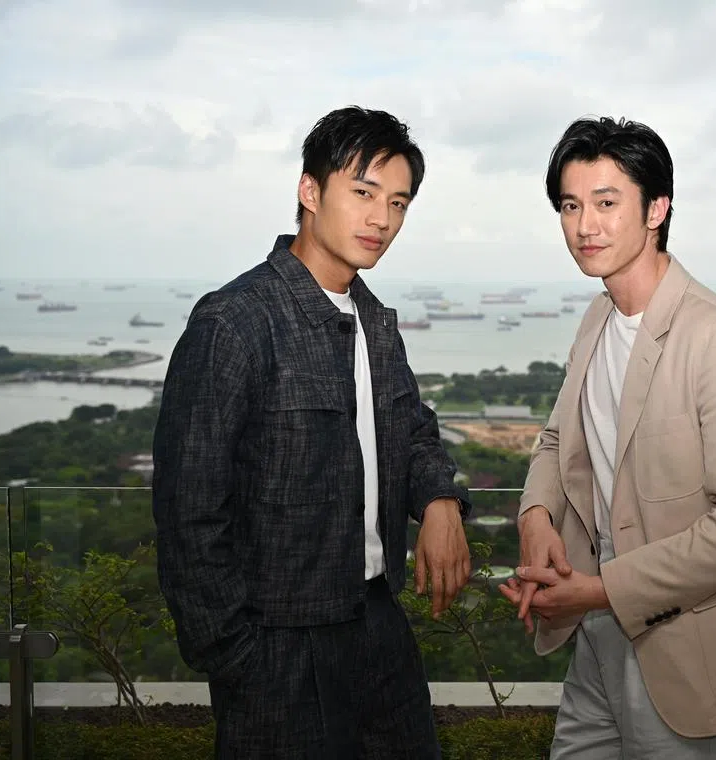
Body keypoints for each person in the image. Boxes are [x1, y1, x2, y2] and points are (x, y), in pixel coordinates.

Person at [152, 106, 472, 759]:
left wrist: (439, 501)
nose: (382, 218)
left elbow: (412, 427)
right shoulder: (236, 322)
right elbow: (188, 513)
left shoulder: (376, 323)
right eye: (362, 192)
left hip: (377, 621)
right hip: (277, 644)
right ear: (309, 190)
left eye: (399, 202)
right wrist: (238, 659)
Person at [499, 116, 716, 758]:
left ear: (657, 208)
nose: (586, 226)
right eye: (572, 206)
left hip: (690, 648)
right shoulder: (599, 315)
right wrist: (535, 517)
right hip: (596, 638)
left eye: (608, 204)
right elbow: (558, 438)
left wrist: (602, 589)